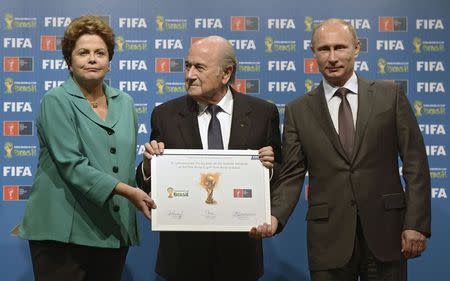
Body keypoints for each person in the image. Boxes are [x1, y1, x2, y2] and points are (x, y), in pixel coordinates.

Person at [253, 18, 431, 280]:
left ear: (356, 48)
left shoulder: (389, 96)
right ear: (313, 52)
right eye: (324, 49)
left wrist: (415, 224)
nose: (333, 57)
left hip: (387, 233)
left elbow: (415, 164)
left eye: (340, 47)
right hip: (328, 238)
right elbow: (291, 174)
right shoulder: (298, 110)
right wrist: (274, 216)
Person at [18, 15, 156, 281]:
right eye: (83, 53)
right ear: (69, 61)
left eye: (100, 53)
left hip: (112, 231)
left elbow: (123, 164)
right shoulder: (55, 100)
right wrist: (129, 192)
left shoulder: (125, 102)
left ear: (109, 60)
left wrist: (151, 165)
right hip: (62, 234)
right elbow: (72, 165)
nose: (92, 59)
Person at [136, 35, 281, 281]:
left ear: (226, 74)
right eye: (187, 66)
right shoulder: (165, 115)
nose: (189, 74)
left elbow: (280, 175)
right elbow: (147, 183)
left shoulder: (262, 113)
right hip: (183, 258)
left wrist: (270, 167)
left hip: (239, 257)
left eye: (199, 67)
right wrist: (150, 164)